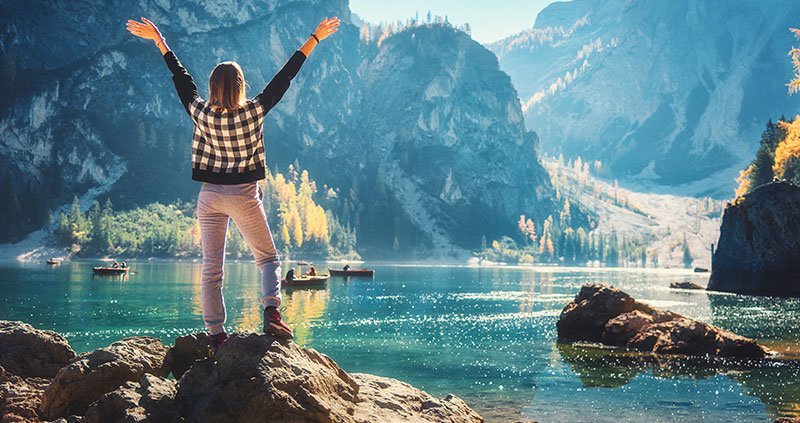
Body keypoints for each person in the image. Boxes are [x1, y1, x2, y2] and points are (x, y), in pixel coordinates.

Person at [126, 16, 340, 350]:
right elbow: (284, 78)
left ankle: (216, 336)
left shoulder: (201, 112)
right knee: (268, 260)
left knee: (212, 270)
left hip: (209, 198)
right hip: (243, 196)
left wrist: (160, 41)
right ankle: (271, 313)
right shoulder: (253, 111)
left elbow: (181, 80)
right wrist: (314, 37)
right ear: (240, 86)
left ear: (213, 88)